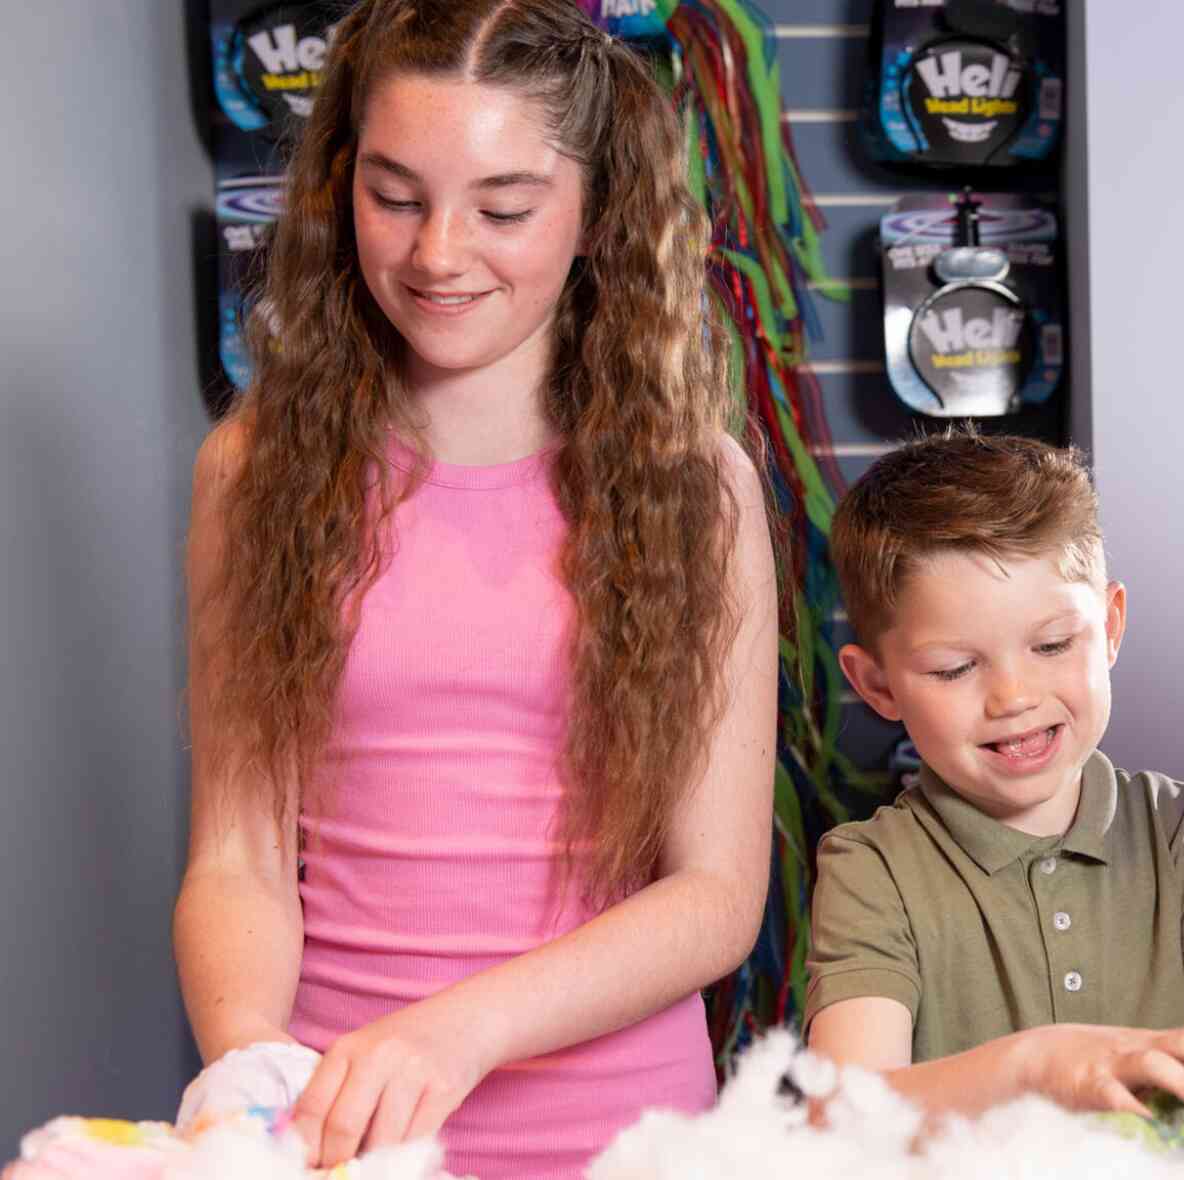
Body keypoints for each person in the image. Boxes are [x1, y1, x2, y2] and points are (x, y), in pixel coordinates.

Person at [172, 1, 777, 1174]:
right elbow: (236, 855)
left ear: (597, 213)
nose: (437, 252)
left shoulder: (695, 486)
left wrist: (459, 1033)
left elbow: (712, 895)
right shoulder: (253, 473)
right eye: (394, 197)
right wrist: (253, 1072)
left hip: (623, 1137)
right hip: (337, 1129)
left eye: (502, 208)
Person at [803, 431, 1184, 1117]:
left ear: (1110, 626)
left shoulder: (1180, 835)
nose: (1014, 698)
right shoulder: (872, 869)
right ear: (876, 684)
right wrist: (1034, 1066)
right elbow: (843, 1116)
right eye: (954, 669)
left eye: (1053, 644)